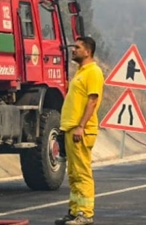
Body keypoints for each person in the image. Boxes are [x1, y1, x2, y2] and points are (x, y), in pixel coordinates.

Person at [55, 36, 104, 225]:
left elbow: (92, 101)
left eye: (77, 47)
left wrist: (81, 125)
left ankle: (85, 214)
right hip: (71, 129)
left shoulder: (93, 72)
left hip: (81, 130)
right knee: (73, 174)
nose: (73, 50)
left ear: (88, 51)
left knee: (82, 173)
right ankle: (75, 211)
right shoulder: (80, 71)